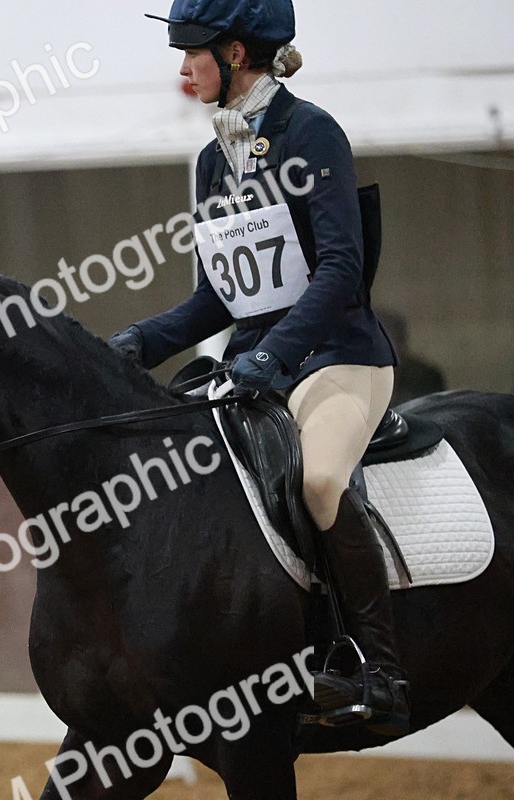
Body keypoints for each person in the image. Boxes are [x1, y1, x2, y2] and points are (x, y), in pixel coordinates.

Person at [110, 0, 410, 735]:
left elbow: (341, 268)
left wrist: (275, 352)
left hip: (339, 355)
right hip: (258, 365)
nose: (182, 69)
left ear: (236, 53)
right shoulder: (215, 159)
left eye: (192, 54)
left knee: (319, 479)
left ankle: (379, 669)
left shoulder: (311, 132)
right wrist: (134, 344)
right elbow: (221, 296)